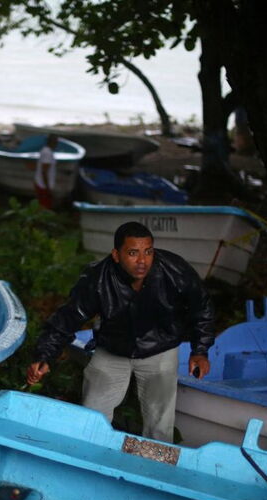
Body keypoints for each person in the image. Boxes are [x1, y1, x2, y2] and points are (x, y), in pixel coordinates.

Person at [27, 221, 215, 442]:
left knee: (160, 425)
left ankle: (153, 469)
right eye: (133, 253)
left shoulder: (174, 270)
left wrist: (200, 350)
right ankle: (91, 461)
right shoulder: (97, 278)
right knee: (92, 418)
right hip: (113, 349)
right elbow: (67, 318)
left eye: (148, 252)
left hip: (160, 348)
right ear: (116, 255)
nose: (142, 261)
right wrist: (44, 355)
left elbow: (202, 306)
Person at [33, 134, 58, 209]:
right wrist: (47, 188)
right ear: (53, 142)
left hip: (41, 183)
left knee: (43, 205)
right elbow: (44, 172)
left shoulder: (45, 150)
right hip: (43, 185)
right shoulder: (48, 153)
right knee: (44, 207)